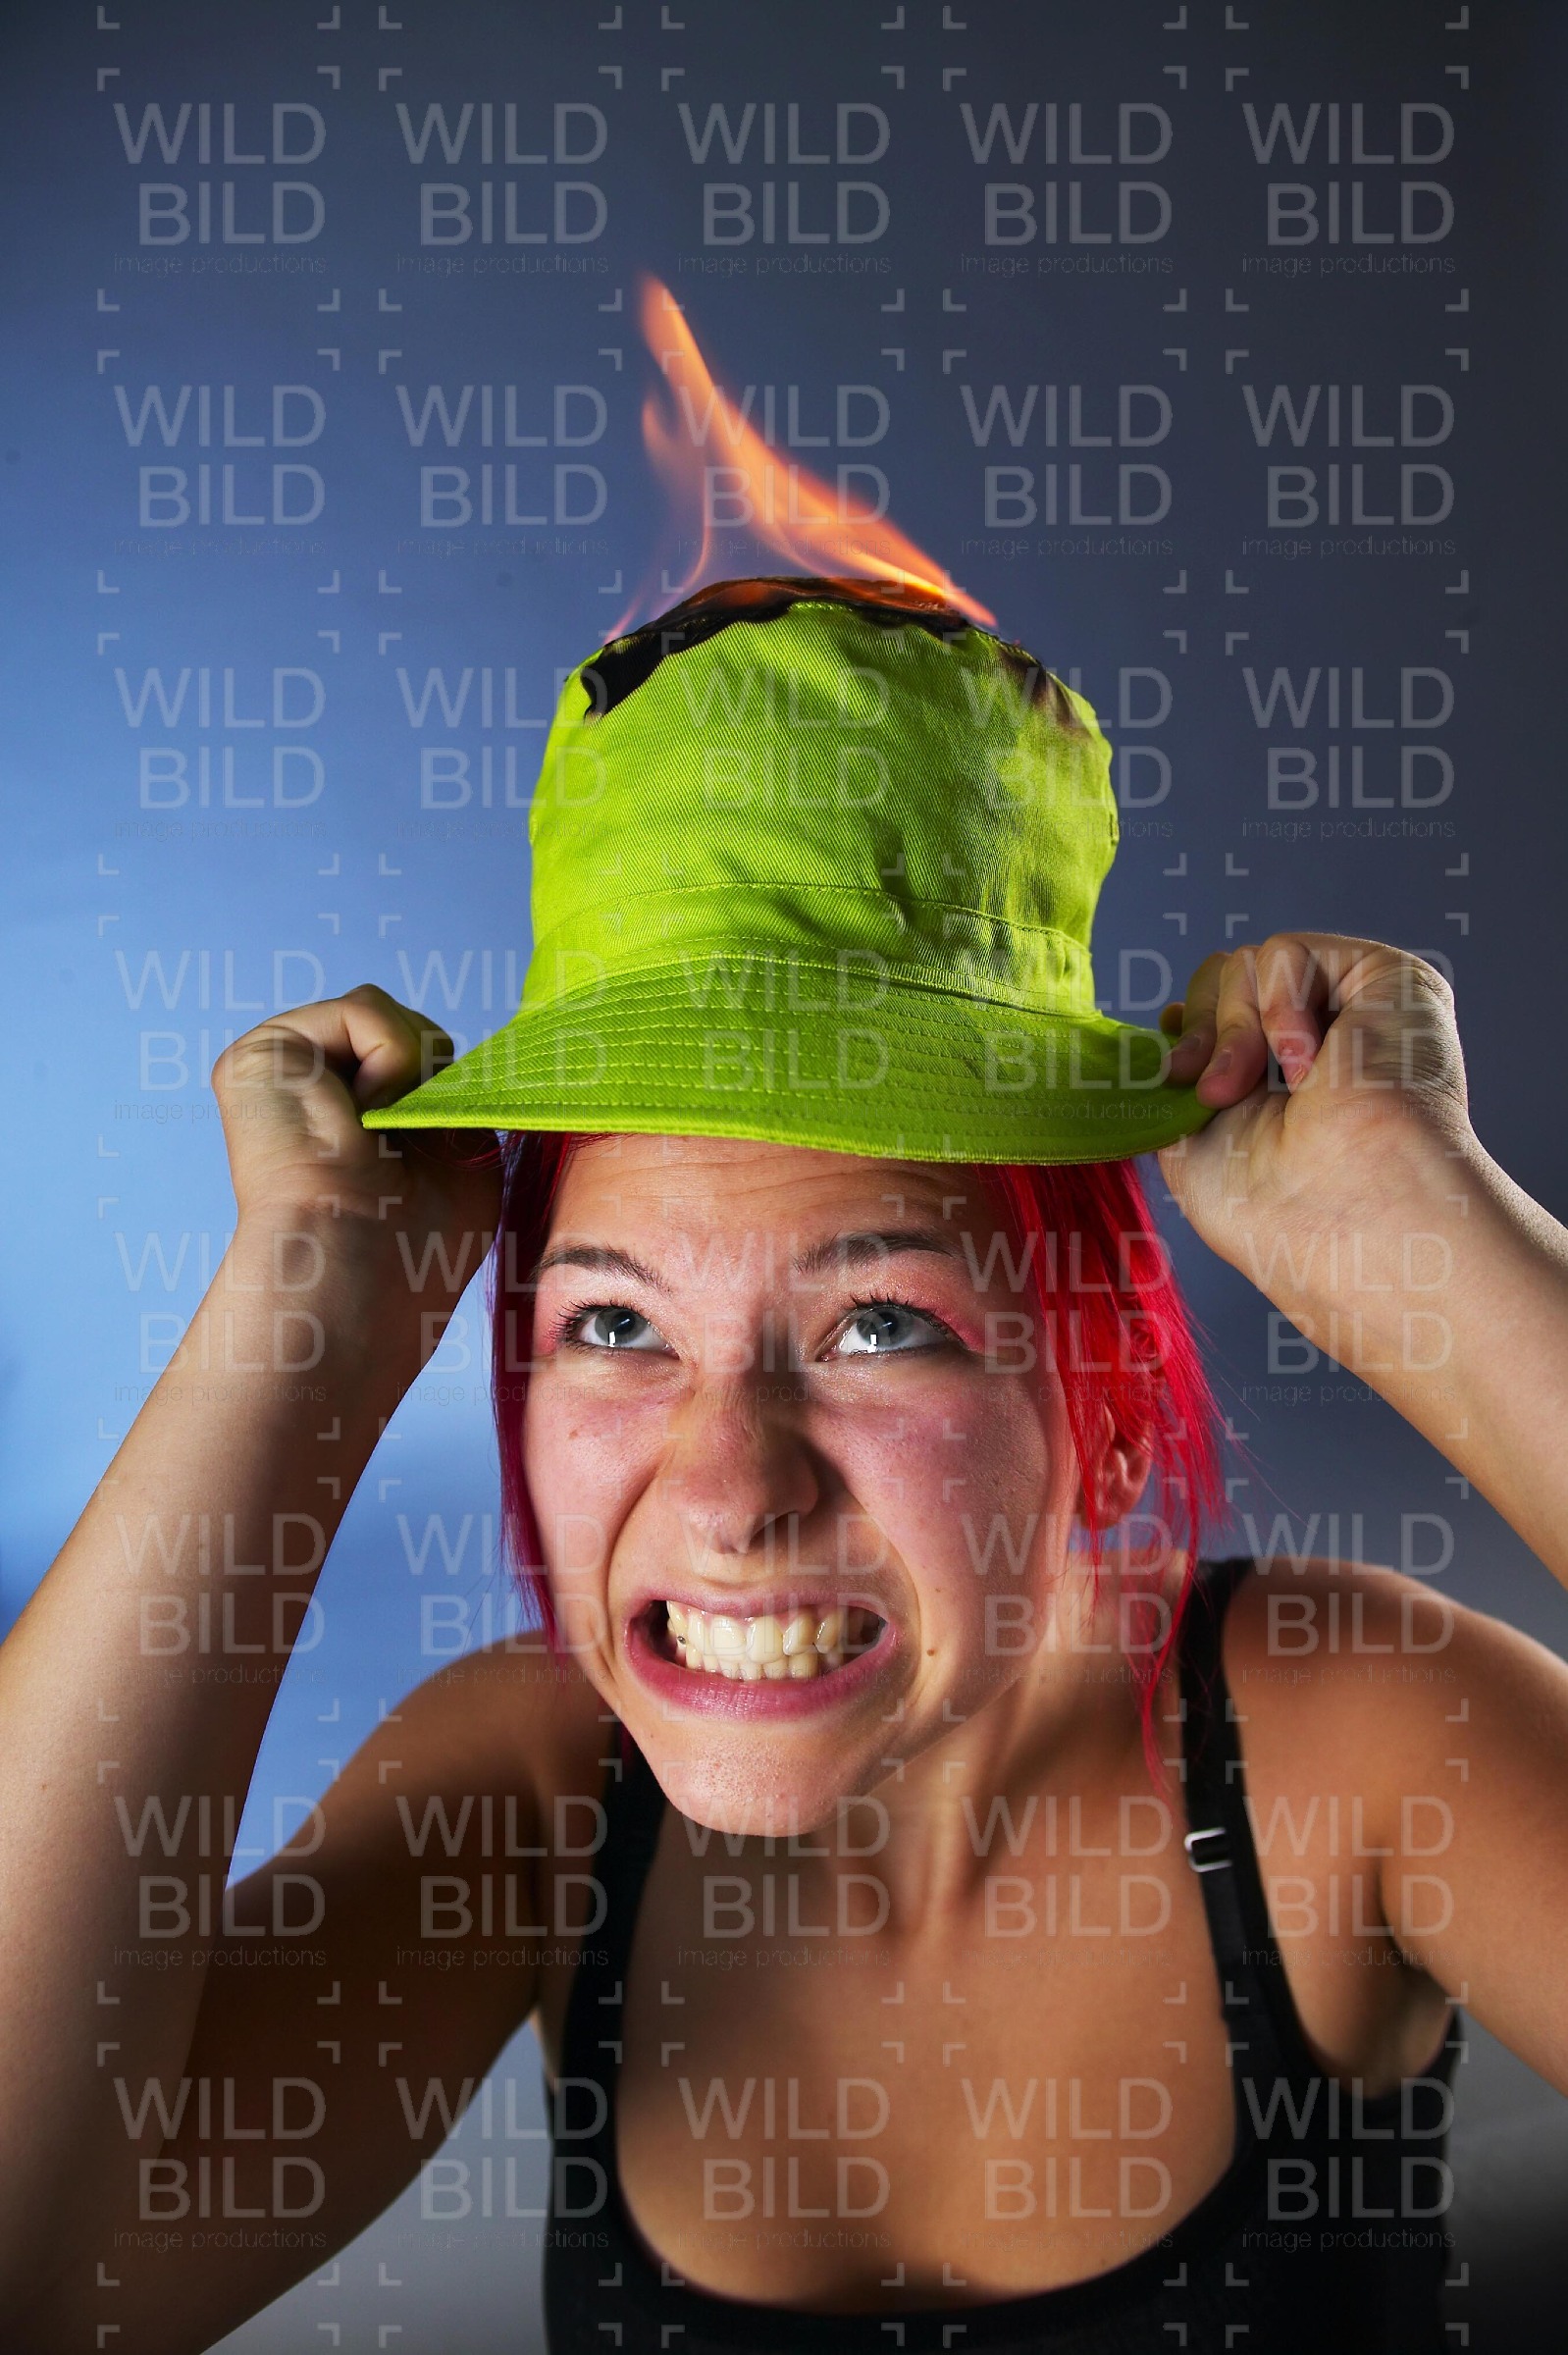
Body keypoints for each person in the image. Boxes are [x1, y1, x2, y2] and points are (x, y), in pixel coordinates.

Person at [3, 579, 1566, 2355]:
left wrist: (1429, 1246)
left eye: (881, 1325)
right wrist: (295, 1319)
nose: (730, 1490)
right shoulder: (527, 1792)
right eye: (613, 1323)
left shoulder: (1357, 1737)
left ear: (1112, 1407)